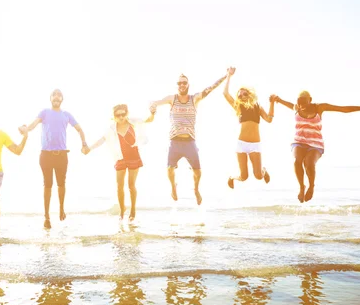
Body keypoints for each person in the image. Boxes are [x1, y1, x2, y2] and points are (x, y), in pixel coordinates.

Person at [270, 91, 360, 202]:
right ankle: (302, 187)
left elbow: (344, 109)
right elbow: (285, 103)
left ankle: (311, 186)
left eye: (304, 102)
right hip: (299, 141)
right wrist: (278, 99)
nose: (301, 106)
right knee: (297, 161)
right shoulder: (297, 107)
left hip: (315, 144)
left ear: (310, 99)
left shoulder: (319, 107)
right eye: (299, 103)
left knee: (309, 163)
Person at [150, 68, 235, 204]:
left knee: (198, 172)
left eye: (184, 83)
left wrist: (227, 76)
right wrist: (152, 106)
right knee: (169, 169)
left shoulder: (194, 99)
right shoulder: (172, 99)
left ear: (188, 85)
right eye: (179, 83)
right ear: (177, 85)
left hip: (190, 142)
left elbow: (211, 88)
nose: (182, 85)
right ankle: (173, 187)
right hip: (174, 142)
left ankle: (195, 189)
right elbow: (156, 102)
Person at [19, 89, 89, 229]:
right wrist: (25, 128)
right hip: (46, 155)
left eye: (59, 95)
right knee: (48, 185)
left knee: (61, 184)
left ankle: (62, 209)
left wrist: (84, 144)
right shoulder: (44, 112)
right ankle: (46, 216)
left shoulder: (66, 115)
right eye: (54, 95)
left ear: (62, 99)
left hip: (62, 155)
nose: (56, 97)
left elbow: (80, 129)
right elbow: (32, 125)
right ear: (50, 98)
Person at [88, 104, 156, 220]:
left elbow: (147, 121)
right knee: (119, 186)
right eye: (118, 115)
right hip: (120, 158)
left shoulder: (133, 123)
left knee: (131, 185)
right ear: (114, 116)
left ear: (126, 114)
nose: (121, 117)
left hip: (134, 156)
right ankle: (122, 210)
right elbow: (102, 140)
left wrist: (152, 113)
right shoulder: (111, 129)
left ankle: (133, 209)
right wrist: (89, 148)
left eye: (123, 114)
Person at [222, 69, 274, 188]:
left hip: (255, 144)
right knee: (244, 177)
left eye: (244, 94)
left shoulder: (258, 107)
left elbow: (269, 119)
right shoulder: (238, 107)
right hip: (241, 144)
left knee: (258, 176)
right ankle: (232, 178)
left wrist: (272, 103)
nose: (242, 96)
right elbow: (225, 94)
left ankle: (264, 171)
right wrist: (229, 76)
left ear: (249, 94)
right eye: (239, 95)